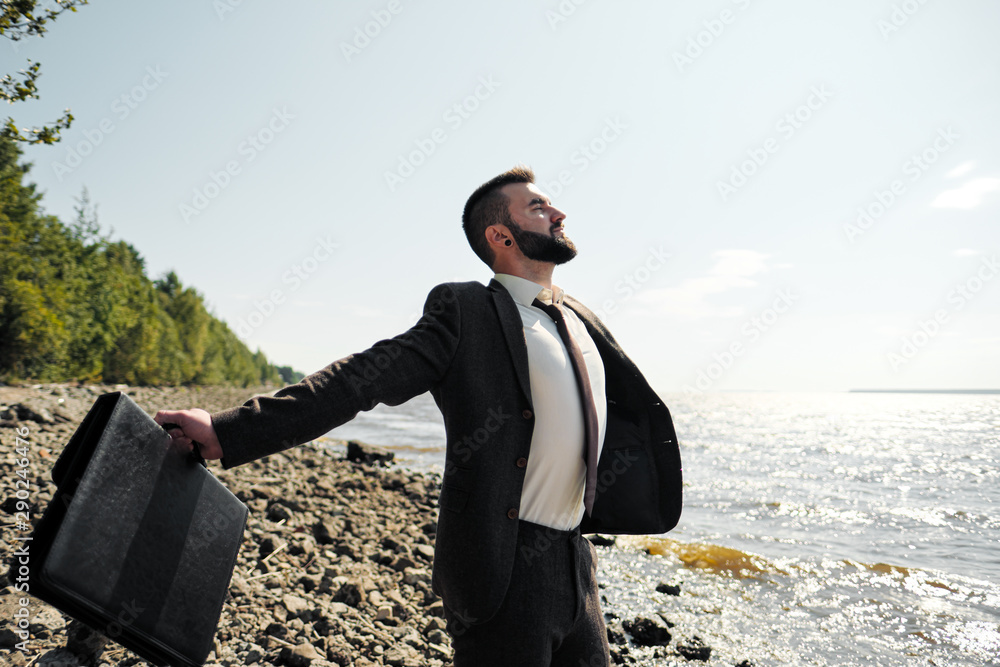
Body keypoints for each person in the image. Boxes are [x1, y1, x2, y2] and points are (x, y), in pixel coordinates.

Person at [155, 165, 682, 667]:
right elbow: (358, 380)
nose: (558, 211)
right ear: (500, 236)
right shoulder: (466, 312)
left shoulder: (578, 318)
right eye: (539, 206)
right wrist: (229, 430)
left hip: (576, 563)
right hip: (505, 568)